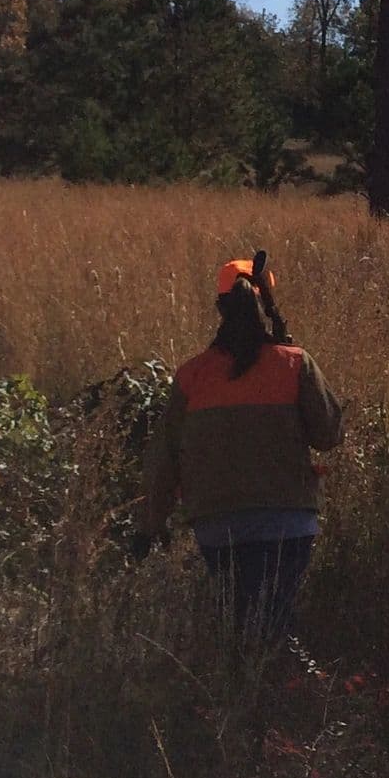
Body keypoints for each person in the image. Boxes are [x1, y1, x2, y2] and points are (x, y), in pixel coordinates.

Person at [139, 256, 346, 660]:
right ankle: (285, 697)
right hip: (288, 523)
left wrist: (149, 527)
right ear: (267, 302)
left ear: (219, 308)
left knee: (241, 625)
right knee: (276, 624)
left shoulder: (191, 376)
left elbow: (164, 460)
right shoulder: (294, 363)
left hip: (217, 526)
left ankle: (244, 698)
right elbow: (329, 435)